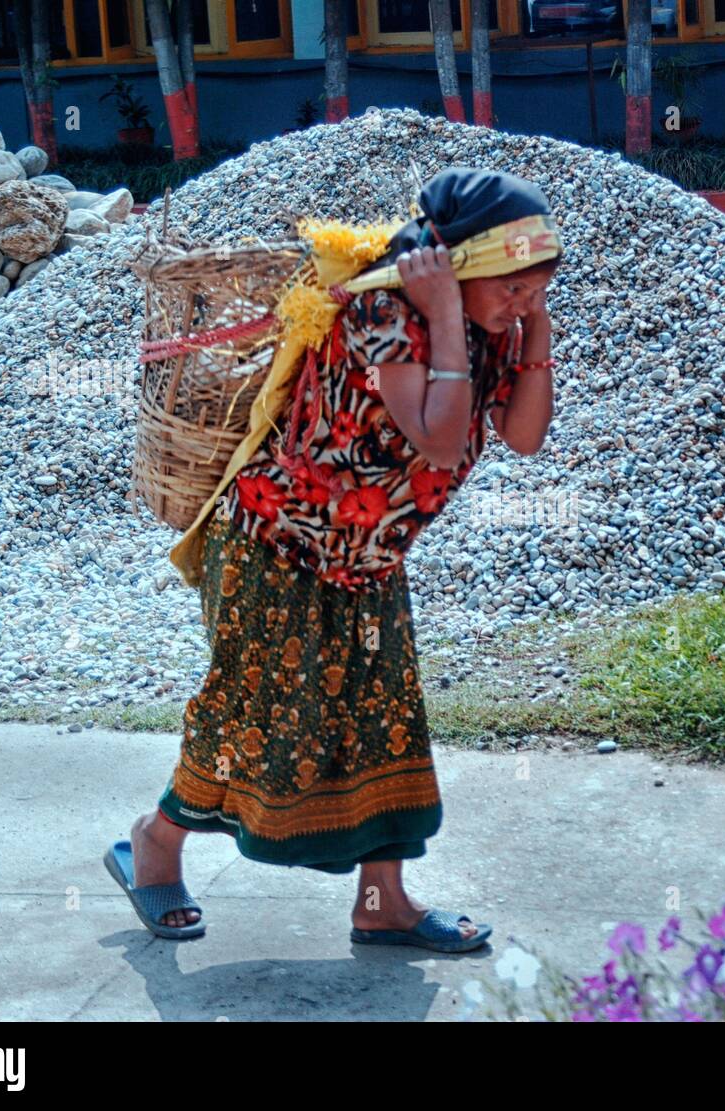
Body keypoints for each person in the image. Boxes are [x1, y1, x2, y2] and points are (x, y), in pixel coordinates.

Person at [105, 167, 562, 953]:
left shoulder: (492, 327)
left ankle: (382, 902)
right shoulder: (382, 309)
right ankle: (155, 842)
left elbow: (523, 436)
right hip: (279, 547)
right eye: (513, 289)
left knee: (383, 720)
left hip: (369, 558)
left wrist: (534, 329)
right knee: (256, 717)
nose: (521, 304)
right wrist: (450, 314)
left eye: (535, 290)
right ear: (457, 270)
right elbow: (442, 437)